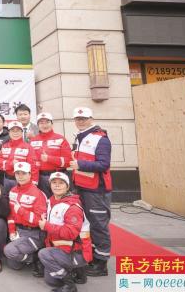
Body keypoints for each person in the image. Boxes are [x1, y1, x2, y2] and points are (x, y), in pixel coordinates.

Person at [70, 107, 112, 277]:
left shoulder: (101, 139)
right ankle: (94, 257)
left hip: (96, 190)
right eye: (77, 119)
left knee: (99, 226)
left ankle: (101, 264)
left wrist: (80, 164)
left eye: (84, 118)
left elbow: (104, 164)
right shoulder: (80, 136)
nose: (80, 121)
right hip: (82, 187)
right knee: (89, 224)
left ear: (91, 119)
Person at [38, 172, 92, 291]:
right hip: (63, 248)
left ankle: (69, 283)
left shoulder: (72, 207)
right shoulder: (51, 201)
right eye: (54, 182)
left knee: (44, 254)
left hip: (77, 251)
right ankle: (78, 271)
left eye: (61, 183)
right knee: (51, 281)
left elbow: (70, 233)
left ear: (67, 187)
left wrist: (46, 225)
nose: (57, 185)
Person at [3, 161, 47, 273]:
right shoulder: (13, 191)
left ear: (30, 174)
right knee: (14, 265)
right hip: (19, 232)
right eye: (17, 173)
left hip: (34, 234)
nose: (20, 176)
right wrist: (12, 231)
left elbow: (39, 221)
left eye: (24, 173)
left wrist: (22, 211)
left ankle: (35, 258)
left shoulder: (38, 194)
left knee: (9, 251)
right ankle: (31, 256)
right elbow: (10, 214)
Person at [30, 112, 72, 197]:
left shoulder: (60, 139)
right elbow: (31, 162)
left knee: (59, 201)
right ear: (38, 125)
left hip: (58, 177)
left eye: (47, 122)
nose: (44, 125)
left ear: (52, 124)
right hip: (40, 178)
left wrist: (49, 159)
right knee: (43, 201)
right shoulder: (33, 141)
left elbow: (69, 161)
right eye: (41, 123)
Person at [0, 121, 39, 195]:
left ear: (22, 132)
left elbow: (34, 167)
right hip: (6, 180)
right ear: (9, 133)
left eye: (18, 131)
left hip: (22, 181)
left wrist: (33, 183)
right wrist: (10, 163)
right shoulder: (5, 146)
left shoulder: (28, 147)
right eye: (13, 131)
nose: (15, 133)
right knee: (7, 199)